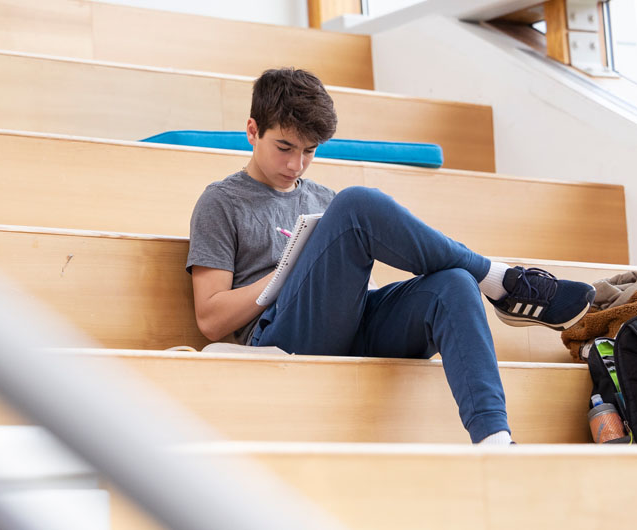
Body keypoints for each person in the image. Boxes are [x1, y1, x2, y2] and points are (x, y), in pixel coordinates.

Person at [185, 67, 595, 445]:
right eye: (284, 147)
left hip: (350, 324)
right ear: (252, 131)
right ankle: (499, 279)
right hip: (279, 335)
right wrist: (284, 277)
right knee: (357, 204)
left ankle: (496, 441)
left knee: (453, 284)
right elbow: (211, 318)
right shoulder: (222, 202)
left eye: (310, 151)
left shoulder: (320, 198)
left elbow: (356, 288)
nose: (297, 164)